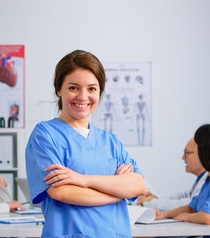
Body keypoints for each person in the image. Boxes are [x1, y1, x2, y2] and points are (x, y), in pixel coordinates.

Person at [25, 50, 147, 238]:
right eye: (73, 88)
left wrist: (83, 180)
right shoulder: (45, 135)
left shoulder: (110, 141)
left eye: (92, 89)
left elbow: (138, 185)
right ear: (58, 89)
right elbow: (61, 191)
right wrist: (117, 192)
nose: (83, 97)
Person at [137, 138, 208, 210]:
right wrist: (155, 198)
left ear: (201, 154)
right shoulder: (201, 179)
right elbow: (183, 196)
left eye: (187, 153)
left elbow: (190, 204)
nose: (183, 157)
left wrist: (153, 202)